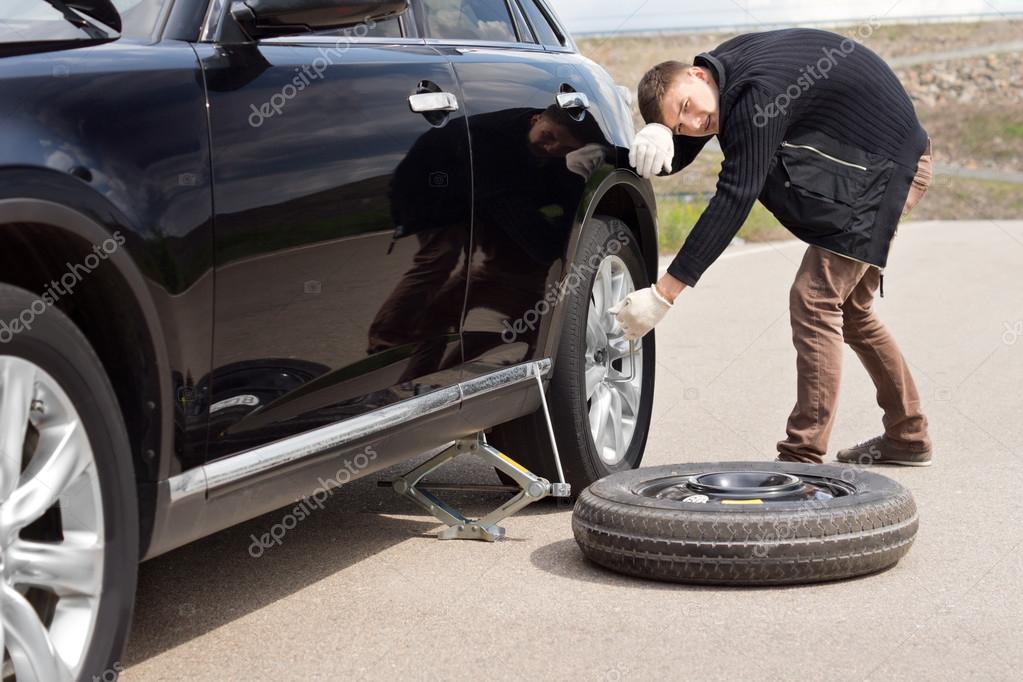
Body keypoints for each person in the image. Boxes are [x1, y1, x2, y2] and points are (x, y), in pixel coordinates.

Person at [609, 28, 934, 466]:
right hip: (872, 162)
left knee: (814, 298)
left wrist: (664, 293)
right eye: (678, 124)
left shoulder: (756, 96)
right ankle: (908, 436)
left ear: (696, 74)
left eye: (685, 108)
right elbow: (699, 130)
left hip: (886, 170)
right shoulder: (722, 77)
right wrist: (657, 136)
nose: (692, 124)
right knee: (852, 311)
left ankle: (802, 458)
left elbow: (735, 196)